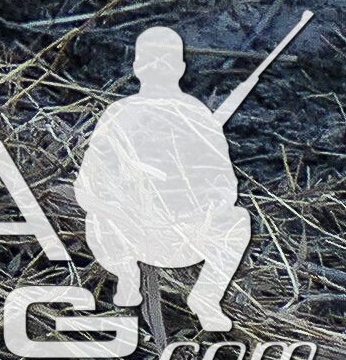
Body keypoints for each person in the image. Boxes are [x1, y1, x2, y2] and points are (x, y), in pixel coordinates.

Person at [74, 26, 254, 327]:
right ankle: (127, 277)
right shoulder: (118, 114)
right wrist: (119, 204)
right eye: (150, 60)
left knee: (238, 222)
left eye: (166, 60)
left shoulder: (197, 116)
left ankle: (206, 298)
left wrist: (204, 209)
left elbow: (225, 184)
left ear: (180, 68)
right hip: (128, 233)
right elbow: (87, 185)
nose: (158, 68)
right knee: (95, 219)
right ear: (137, 66)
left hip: (184, 236)